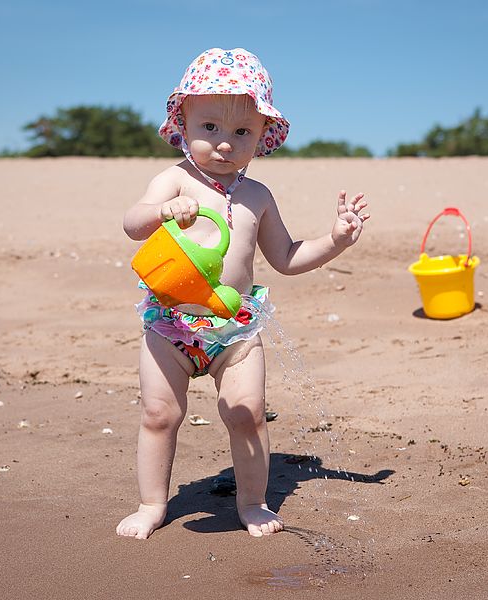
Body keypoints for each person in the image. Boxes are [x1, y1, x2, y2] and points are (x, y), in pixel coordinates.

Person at [116, 48, 369, 539]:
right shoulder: (173, 180)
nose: (225, 144)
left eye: (241, 132)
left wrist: (335, 239)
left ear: (262, 136)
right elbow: (131, 223)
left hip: (236, 329)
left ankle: (252, 502)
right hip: (171, 324)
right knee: (159, 414)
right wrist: (164, 212)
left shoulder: (258, 197)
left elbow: (288, 258)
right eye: (209, 127)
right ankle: (151, 504)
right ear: (183, 120)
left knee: (248, 413)